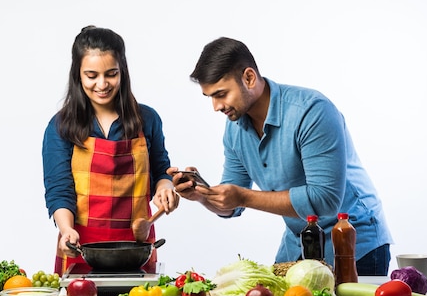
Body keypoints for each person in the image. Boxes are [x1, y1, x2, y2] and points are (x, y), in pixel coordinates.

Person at [169, 37, 393, 275]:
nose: (216, 106)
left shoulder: (312, 111)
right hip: (298, 245)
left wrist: (243, 197)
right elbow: (232, 202)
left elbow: (325, 199)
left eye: (221, 94)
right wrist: (203, 195)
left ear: (249, 78)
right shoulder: (234, 128)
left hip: (353, 246)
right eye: (210, 97)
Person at [43, 26, 179, 275]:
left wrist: (165, 188)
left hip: (136, 249)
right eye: (91, 75)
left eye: (111, 74)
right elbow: (59, 190)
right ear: (78, 75)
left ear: (123, 72)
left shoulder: (147, 120)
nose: (102, 84)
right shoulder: (61, 126)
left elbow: (161, 170)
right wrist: (66, 230)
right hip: (81, 247)